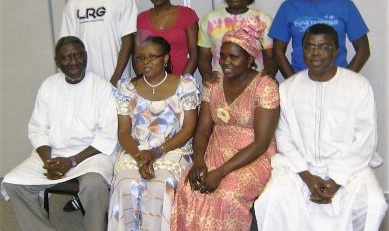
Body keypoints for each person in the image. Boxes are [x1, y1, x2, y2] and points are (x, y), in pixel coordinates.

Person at [254, 23, 387, 230]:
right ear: (301, 51)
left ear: (336, 50)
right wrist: (307, 176)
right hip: (299, 168)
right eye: (309, 47)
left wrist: (336, 180)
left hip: (349, 169)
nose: (315, 53)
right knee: (271, 199)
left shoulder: (358, 86)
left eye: (323, 46)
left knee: (373, 203)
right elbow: (284, 137)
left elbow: (365, 140)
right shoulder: (289, 88)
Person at [1, 36, 118, 231]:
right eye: (67, 57)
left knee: (94, 186)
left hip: (91, 155)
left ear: (86, 57)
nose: (74, 62)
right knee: (14, 183)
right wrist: (48, 161)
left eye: (78, 55)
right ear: (57, 61)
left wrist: (71, 161)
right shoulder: (49, 86)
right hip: (53, 154)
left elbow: (107, 136)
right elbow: (38, 128)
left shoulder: (102, 87)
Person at [171, 23, 280, 230]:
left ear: (250, 60)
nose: (226, 62)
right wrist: (199, 161)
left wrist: (220, 172)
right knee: (188, 187)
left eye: (234, 57)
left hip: (252, 155)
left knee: (225, 195)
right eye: (223, 56)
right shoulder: (213, 82)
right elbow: (203, 130)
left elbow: (261, 143)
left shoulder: (264, 86)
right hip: (216, 148)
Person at [107, 36, 200, 230]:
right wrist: (140, 157)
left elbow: (189, 129)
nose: (145, 62)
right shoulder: (127, 88)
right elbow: (123, 131)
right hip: (136, 149)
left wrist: (156, 153)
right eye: (140, 58)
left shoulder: (185, 85)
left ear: (165, 59)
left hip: (174, 150)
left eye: (152, 57)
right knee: (125, 182)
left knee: (162, 184)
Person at [271, 0, 370, 78]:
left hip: (337, 81)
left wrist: (346, 80)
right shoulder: (288, 7)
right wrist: (293, 82)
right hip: (302, 81)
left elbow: (363, 50)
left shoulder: (345, 6)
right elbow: (278, 52)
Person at [59, 0, 138, 86]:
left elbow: (128, 41)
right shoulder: (73, 4)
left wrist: (116, 78)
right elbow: (66, 44)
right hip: (83, 81)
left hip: (116, 80)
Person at [198, 0, 277, 82]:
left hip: (255, 83)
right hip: (220, 83)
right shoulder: (210, 19)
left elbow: (270, 56)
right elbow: (204, 57)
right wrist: (207, 75)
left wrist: (269, 75)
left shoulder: (263, 19)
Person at [135, 0, 199, 76]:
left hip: (181, 82)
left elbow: (195, 55)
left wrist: (183, 84)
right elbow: (137, 56)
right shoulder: (141, 18)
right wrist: (144, 82)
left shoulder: (187, 15)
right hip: (151, 83)